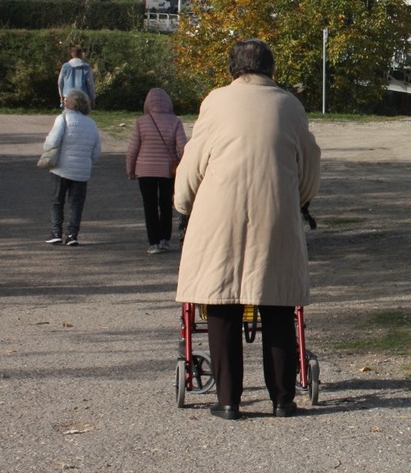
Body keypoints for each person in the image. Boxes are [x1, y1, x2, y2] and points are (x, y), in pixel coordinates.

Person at [175, 39, 321, 420]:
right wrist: (297, 199)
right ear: (271, 69)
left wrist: (182, 204)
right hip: (275, 213)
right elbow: (309, 162)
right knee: (278, 305)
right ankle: (283, 400)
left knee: (222, 304)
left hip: (218, 214)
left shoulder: (216, 101)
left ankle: (228, 401)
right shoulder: (289, 105)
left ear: (232, 68)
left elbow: (194, 161)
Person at [126, 88, 188, 255]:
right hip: (168, 171)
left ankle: (153, 242)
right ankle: (165, 239)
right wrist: (184, 166)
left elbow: (133, 149)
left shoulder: (141, 121)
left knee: (150, 205)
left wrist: (130, 169)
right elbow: (182, 147)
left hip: (145, 170)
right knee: (166, 204)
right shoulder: (175, 121)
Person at [43, 89, 102, 246]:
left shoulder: (63, 118)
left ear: (73, 104)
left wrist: (46, 143)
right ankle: (72, 235)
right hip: (82, 172)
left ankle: (56, 232)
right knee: (76, 204)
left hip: (61, 168)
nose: (64, 102)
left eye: (67, 100)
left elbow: (52, 142)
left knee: (57, 201)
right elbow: (96, 152)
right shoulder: (91, 124)